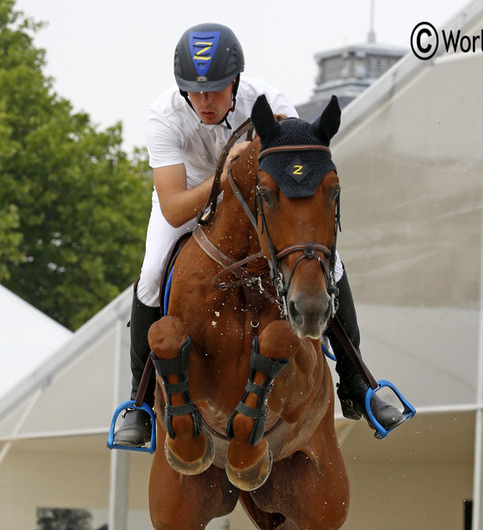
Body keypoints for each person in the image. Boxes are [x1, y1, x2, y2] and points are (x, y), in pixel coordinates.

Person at [113, 22, 406, 446]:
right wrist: (227, 172)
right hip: (191, 202)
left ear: (235, 80)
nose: (205, 101)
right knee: (152, 274)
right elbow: (174, 207)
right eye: (195, 92)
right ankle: (138, 404)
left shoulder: (270, 103)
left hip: (253, 206)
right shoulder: (163, 116)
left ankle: (357, 383)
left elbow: (298, 172)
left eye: (215, 89)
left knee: (330, 263)